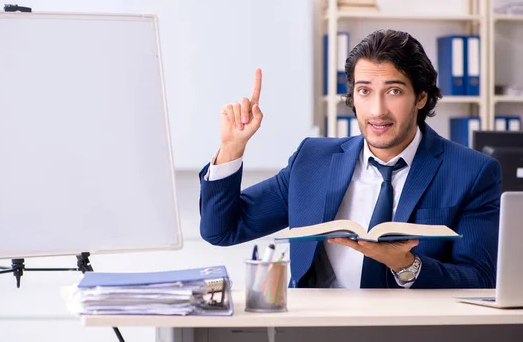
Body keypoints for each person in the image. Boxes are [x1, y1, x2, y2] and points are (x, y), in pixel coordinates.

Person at [198, 29, 502, 289]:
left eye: (394, 91)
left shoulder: (472, 171)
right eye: (364, 91)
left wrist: (407, 265)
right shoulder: (312, 160)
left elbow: (481, 279)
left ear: (421, 97)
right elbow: (222, 230)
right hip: (318, 330)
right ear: (352, 97)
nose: (377, 110)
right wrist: (232, 148)